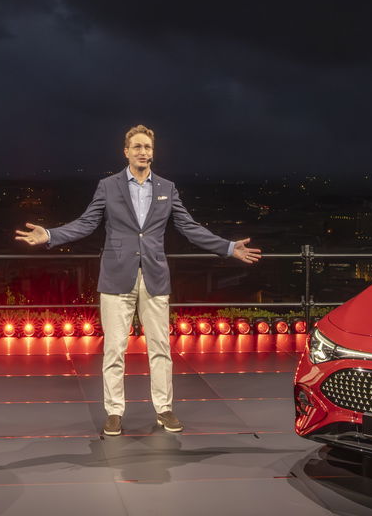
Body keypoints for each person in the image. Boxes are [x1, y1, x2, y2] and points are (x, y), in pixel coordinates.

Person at [15, 125, 261, 436]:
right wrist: (50, 235)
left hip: (155, 277)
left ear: (153, 152)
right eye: (137, 147)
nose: (143, 152)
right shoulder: (108, 186)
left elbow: (189, 227)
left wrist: (227, 248)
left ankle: (164, 409)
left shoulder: (167, 188)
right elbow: (86, 223)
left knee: (160, 347)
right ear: (126, 152)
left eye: (147, 147)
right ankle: (114, 411)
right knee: (114, 349)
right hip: (117, 276)